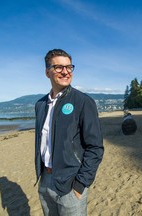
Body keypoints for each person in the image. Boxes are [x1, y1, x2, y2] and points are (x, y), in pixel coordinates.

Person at [34, 48, 104, 215]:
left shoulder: (83, 101)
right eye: (58, 67)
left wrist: (80, 184)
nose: (65, 72)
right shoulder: (40, 104)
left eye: (69, 67)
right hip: (45, 179)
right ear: (47, 72)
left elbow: (95, 147)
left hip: (71, 182)